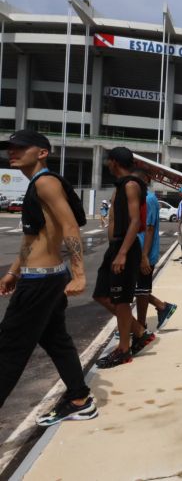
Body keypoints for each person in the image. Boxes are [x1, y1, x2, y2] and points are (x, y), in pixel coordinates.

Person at [0, 130, 98, 425]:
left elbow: (70, 227)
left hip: (42, 281)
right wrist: (13, 271)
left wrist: (80, 275)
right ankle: (79, 399)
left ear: (42, 152)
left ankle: (80, 398)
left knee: (8, 348)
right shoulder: (35, 186)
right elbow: (33, 239)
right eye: (9, 148)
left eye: (20, 147)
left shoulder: (45, 183)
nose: (11, 152)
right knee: (56, 340)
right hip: (43, 277)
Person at [93, 147, 154, 368]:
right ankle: (138, 331)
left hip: (124, 248)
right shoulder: (120, 186)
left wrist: (122, 253)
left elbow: (135, 222)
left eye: (108, 161)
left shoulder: (130, 185)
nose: (107, 164)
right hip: (116, 246)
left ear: (114, 162)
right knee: (101, 294)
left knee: (121, 300)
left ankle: (124, 349)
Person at [132, 168, 178, 330]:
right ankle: (160, 307)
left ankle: (141, 324)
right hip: (136, 250)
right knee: (137, 289)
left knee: (141, 290)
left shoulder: (149, 199)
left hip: (145, 252)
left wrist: (144, 255)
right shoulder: (138, 198)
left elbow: (149, 228)